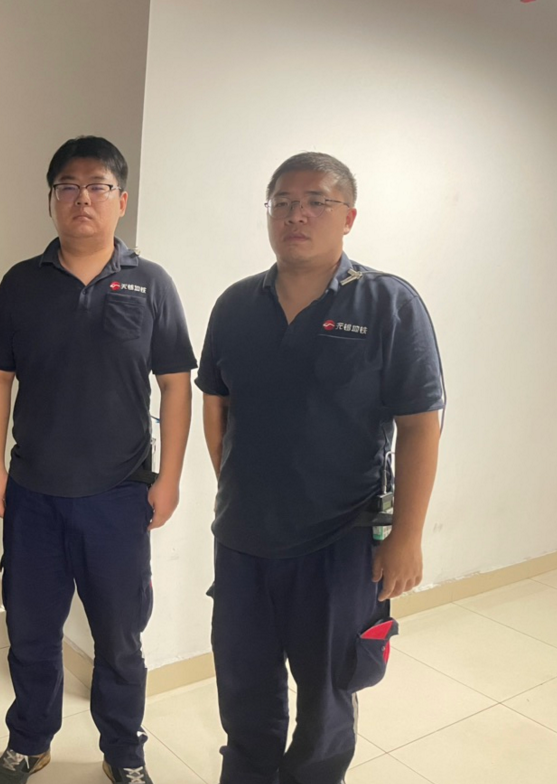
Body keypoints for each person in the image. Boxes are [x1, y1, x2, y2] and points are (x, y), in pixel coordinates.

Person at [199, 152, 444, 784]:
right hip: (244, 542)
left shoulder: (389, 304)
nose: (296, 215)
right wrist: (240, 489)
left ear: (349, 217)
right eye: (282, 202)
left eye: (316, 202)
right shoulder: (235, 305)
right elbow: (215, 405)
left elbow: (421, 426)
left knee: (329, 698)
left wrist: (407, 537)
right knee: (244, 690)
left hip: (341, 542)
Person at [0, 136, 196, 784]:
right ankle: (29, 741)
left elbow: (176, 383)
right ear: (51, 200)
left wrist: (170, 478)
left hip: (119, 497)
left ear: (120, 201)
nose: (83, 199)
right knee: (31, 633)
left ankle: (124, 751)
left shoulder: (150, 283)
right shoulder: (22, 283)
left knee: (121, 640)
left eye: (98, 186)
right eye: (68, 187)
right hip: (35, 495)